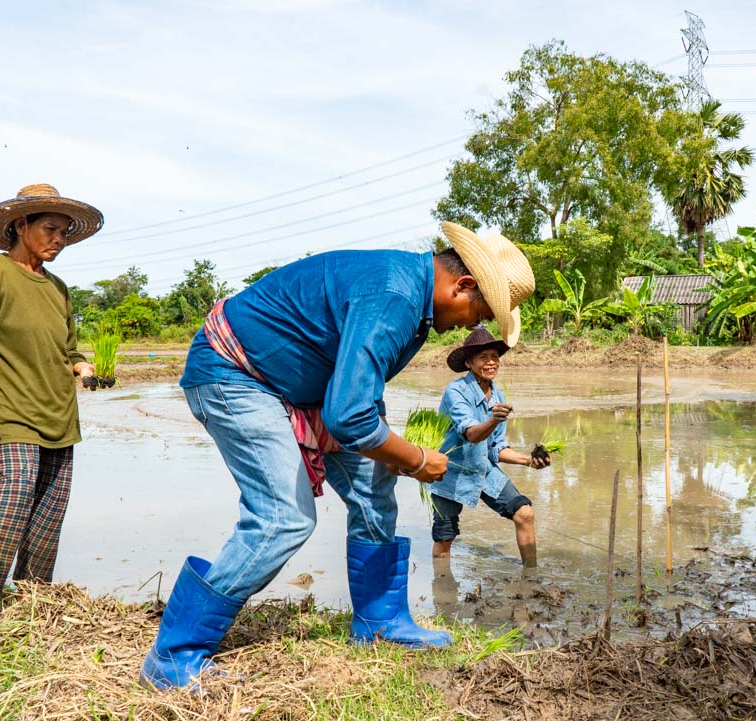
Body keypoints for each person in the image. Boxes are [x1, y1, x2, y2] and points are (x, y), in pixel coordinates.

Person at [139, 221, 535, 690]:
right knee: (283, 518)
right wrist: (412, 458)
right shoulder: (397, 297)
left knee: (373, 485)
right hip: (236, 373)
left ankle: (379, 621)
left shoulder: (413, 300)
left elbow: (361, 390)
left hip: (304, 388)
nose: (476, 325)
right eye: (481, 311)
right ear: (462, 285)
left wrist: (386, 451)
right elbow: (348, 417)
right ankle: (175, 652)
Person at [0, 184, 102, 632]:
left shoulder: (58, 288)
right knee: (8, 501)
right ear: (21, 225)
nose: (59, 239)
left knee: (48, 513)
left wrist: (83, 367)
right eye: (50, 229)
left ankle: (34, 599)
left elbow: (67, 348)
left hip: (59, 415)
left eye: (65, 232)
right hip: (11, 412)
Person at [428, 327, 549, 570]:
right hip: (451, 472)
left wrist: (528, 460)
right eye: (483, 357)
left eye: (494, 356)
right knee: (445, 536)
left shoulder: (498, 394)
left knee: (524, 513)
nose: (491, 362)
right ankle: (443, 591)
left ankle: (531, 574)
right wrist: (493, 419)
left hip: (483, 469)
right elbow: (472, 434)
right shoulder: (456, 391)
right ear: (469, 363)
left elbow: (495, 448)